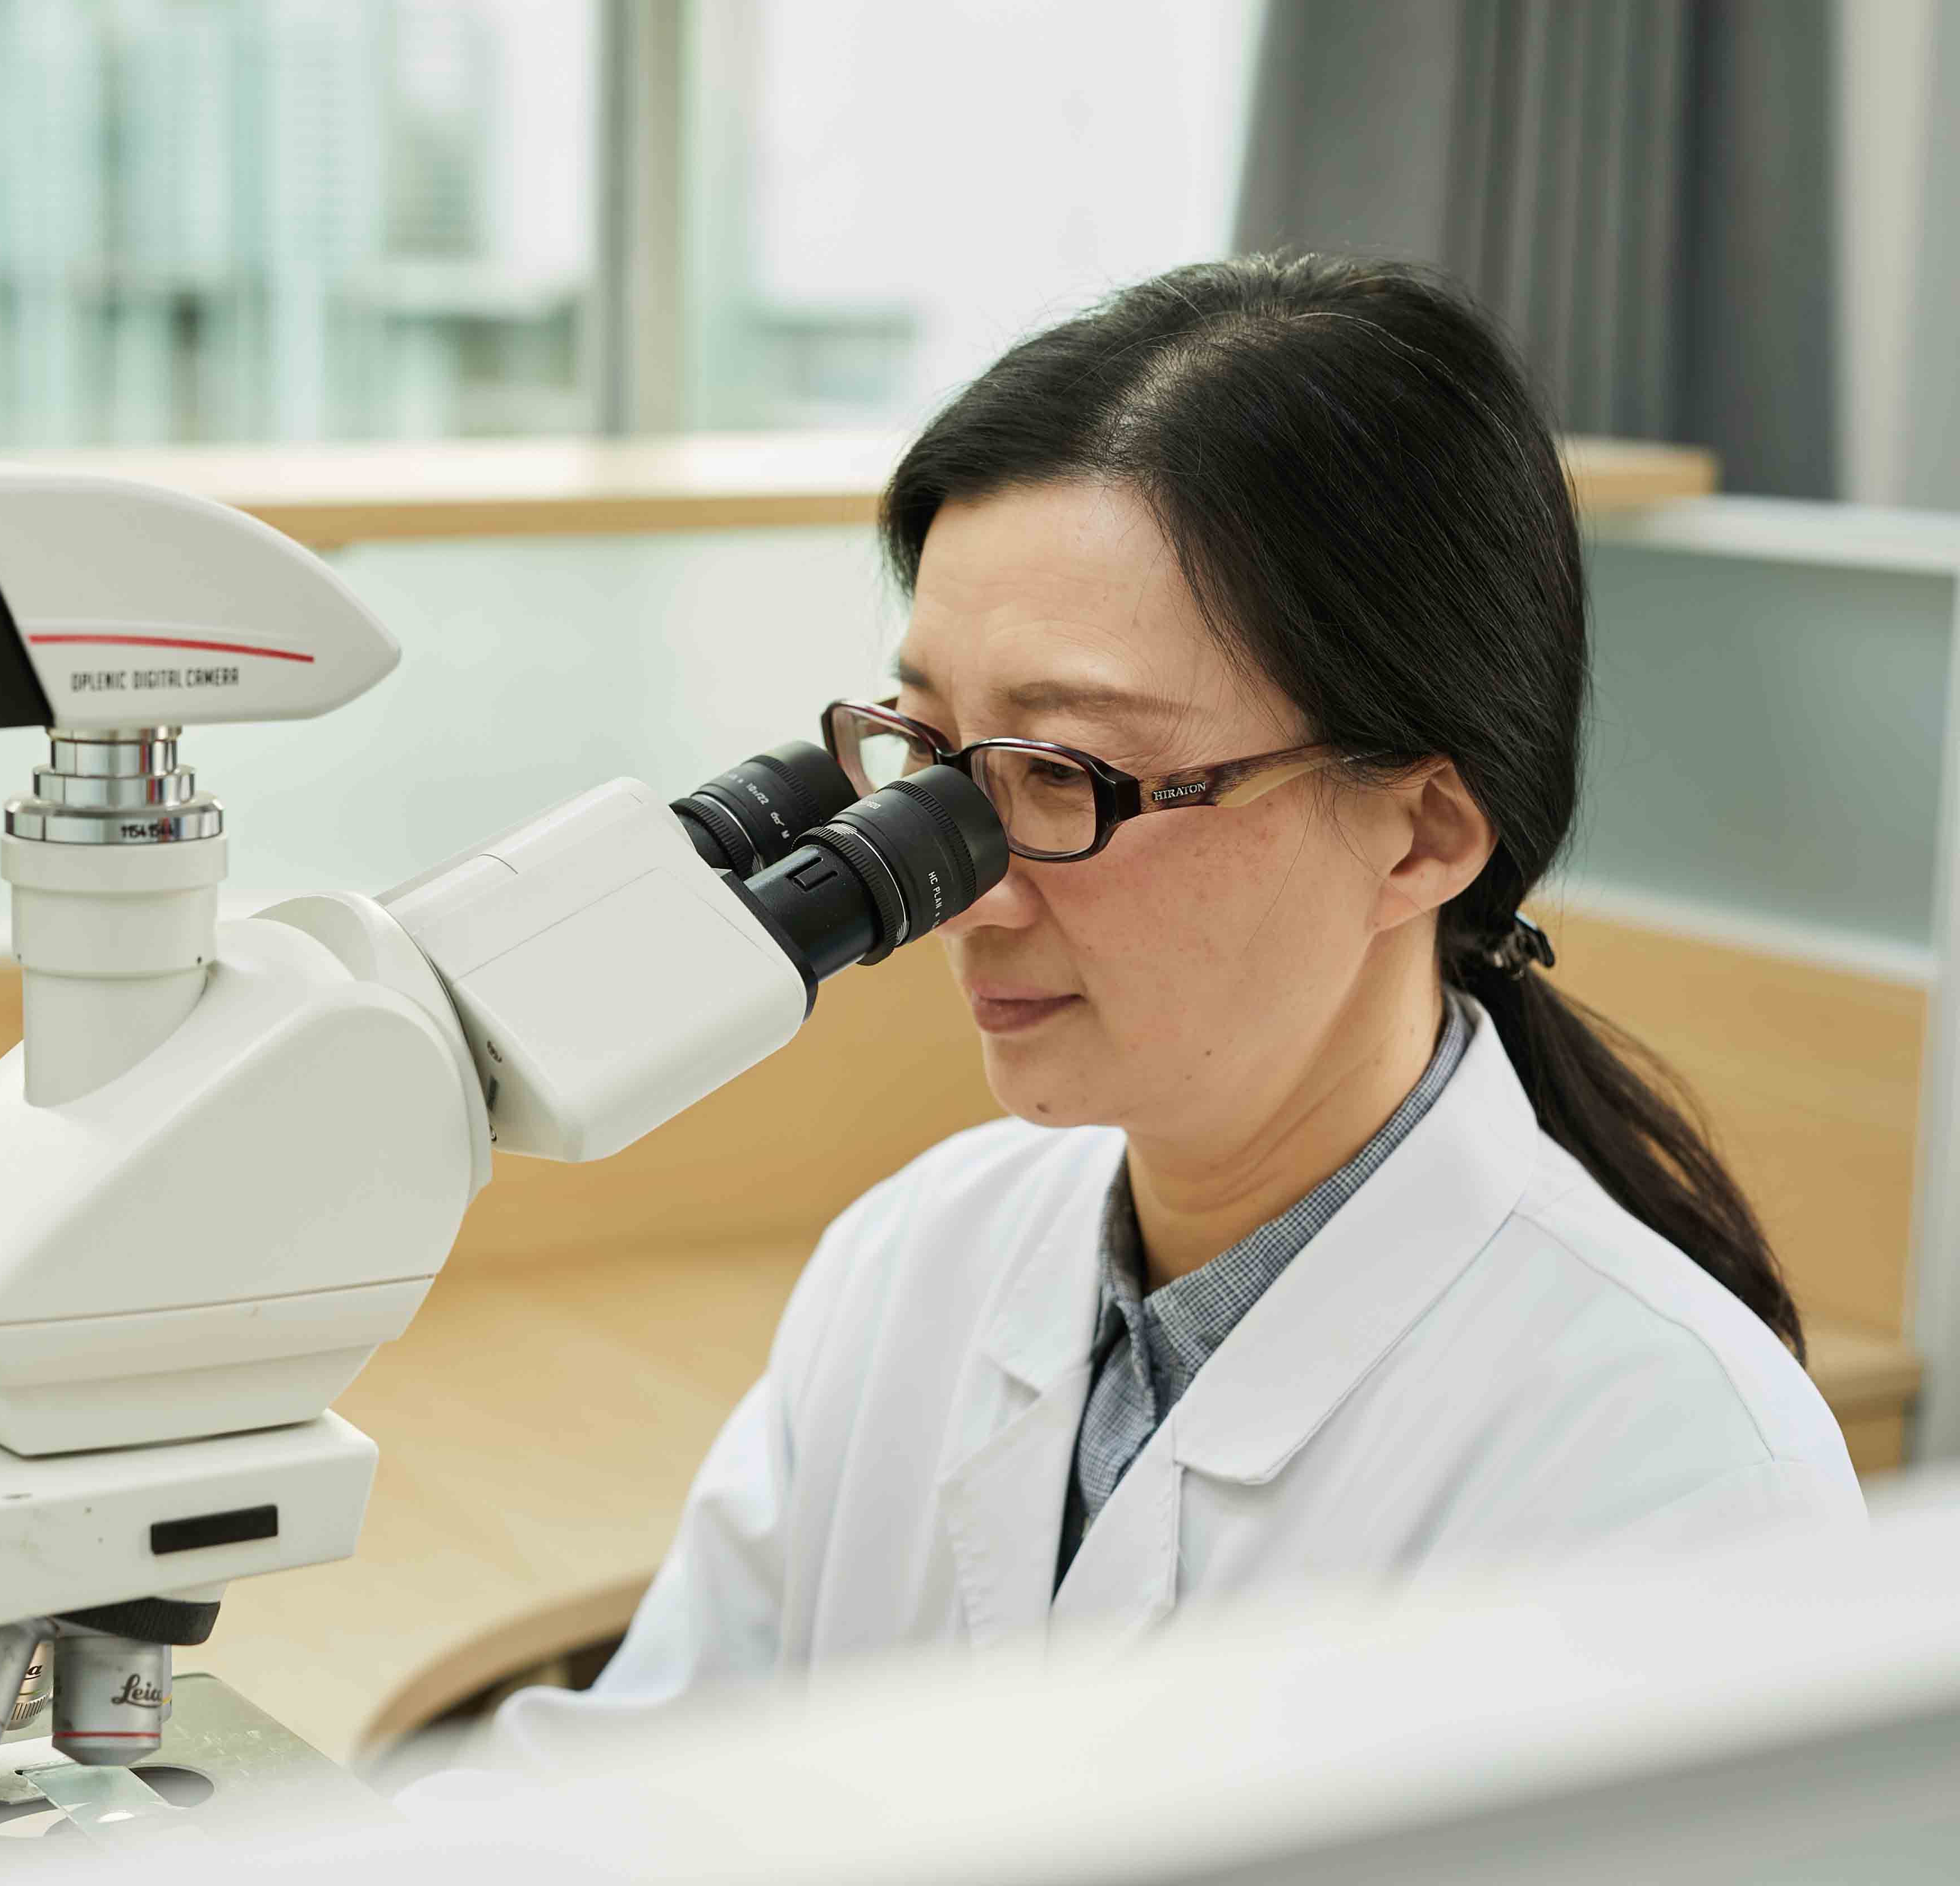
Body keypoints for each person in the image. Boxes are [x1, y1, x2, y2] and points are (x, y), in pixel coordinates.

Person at [493, 253, 1862, 1760]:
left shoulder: (1674, 1483)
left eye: (1064, 774)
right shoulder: (921, 1258)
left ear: (1421, 835)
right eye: (930, 754)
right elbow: (643, 1798)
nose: (967, 891)